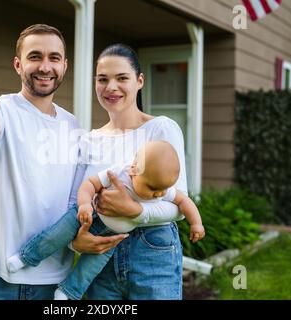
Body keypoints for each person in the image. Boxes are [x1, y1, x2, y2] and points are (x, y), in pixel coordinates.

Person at [0, 24, 127, 300]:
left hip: (53, 281)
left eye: (53, 58)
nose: (45, 66)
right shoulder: (2, 110)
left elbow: (74, 199)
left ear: (64, 66)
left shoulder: (72, 125)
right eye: (35, 57)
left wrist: (79, 238)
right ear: (18, 65)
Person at [65, 43, 189, 300]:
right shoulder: (88, 140)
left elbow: (179, 205)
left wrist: (136, 211)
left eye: (122, 78)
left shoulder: (161, 129)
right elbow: (73, 201)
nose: (111, 87)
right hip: (99, 259)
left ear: (139, 80)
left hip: (152, 252)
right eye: (103, 79)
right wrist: (75, 242)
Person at [6, 140, 204, 300]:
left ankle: (68, 293)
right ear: (134, 170)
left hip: (113, 235)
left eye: (163, 189)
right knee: (56, 235)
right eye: (153, 189)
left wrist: (196, 223)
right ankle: (27, 256)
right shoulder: (120, 173)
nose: (158, 194)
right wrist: (84, 205)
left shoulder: (160, 186)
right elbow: (89, 184)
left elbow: (182, 201)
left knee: (90, 268)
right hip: (89, 213)